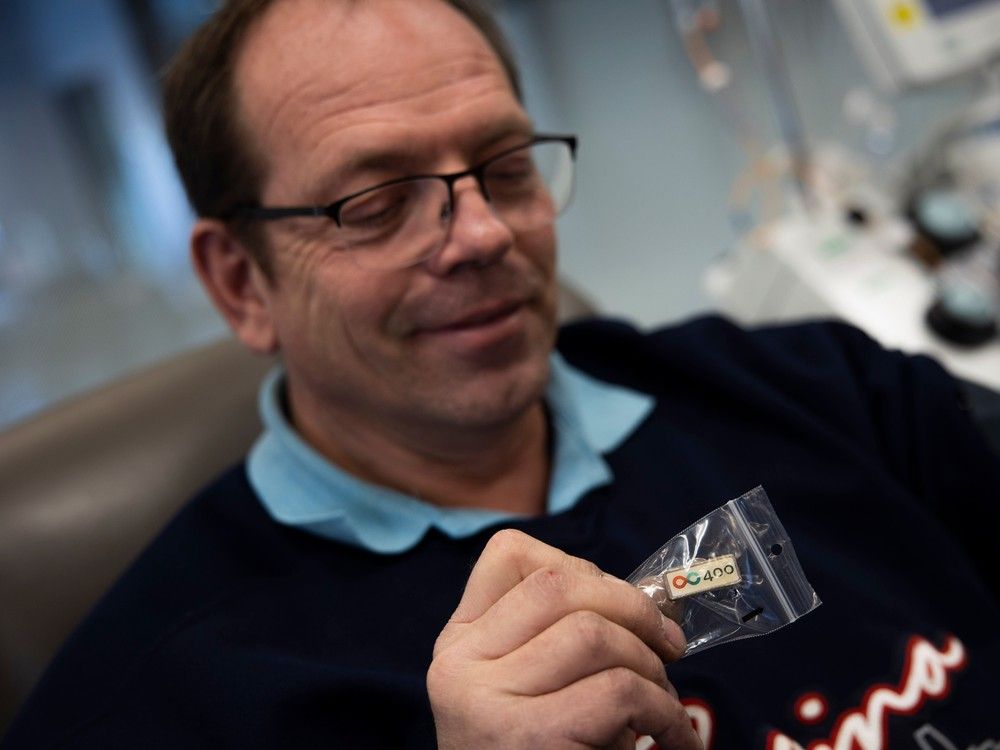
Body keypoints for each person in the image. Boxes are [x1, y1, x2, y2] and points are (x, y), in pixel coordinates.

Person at [3, 0, 998, 747]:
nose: (481, 233)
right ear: (241, 283)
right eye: (379, 198)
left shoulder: (820, 392)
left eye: (505, 166)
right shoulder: (154, 702)